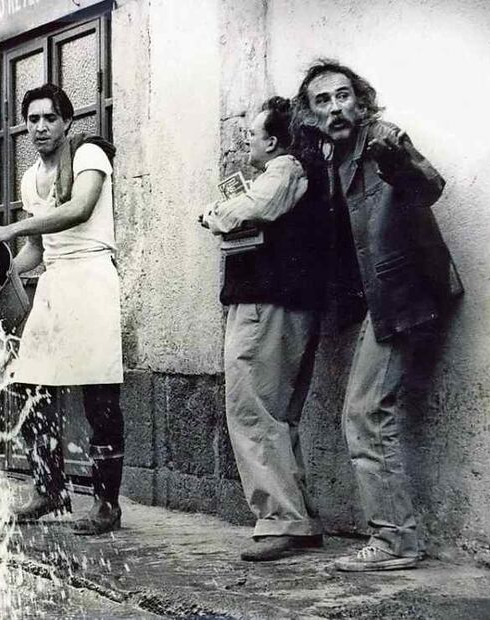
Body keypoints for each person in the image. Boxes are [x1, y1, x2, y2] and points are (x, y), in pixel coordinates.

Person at [294, 60, 463, 571]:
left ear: (361, 101)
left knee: (366, 415)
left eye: (343, 96)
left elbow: (430, 185)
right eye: (322, 101)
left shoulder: (383, 138)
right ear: (311, 114)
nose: (335, 107)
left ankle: (393, 542)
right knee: (370, 415)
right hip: (378, 300)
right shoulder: (331, 156)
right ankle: (396, 538)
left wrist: (400, 164)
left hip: (404, 297)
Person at [0, 83, 124, 535]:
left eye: (49, 118)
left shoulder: (88, 156)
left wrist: (12, 228)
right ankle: (51, 488)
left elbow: (80, 210)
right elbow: (36, 249)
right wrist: (0, 276)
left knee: (99, 398)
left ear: (66, 122)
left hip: (93, 278)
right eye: (33, 119)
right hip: (55, 282)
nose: (40, 126)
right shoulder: (29, 178)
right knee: (29, 389)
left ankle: (107, 505)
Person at [200, 96, 329, 561]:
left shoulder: (284, 169)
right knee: (274, 414)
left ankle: (281, 519)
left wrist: (217, 213)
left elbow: (250, 209)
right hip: (275, 302)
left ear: (272, 141)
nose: (247, 141)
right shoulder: (290, 172)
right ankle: (296, 517)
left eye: (252, 134)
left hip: (266, 304)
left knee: (252, 408)